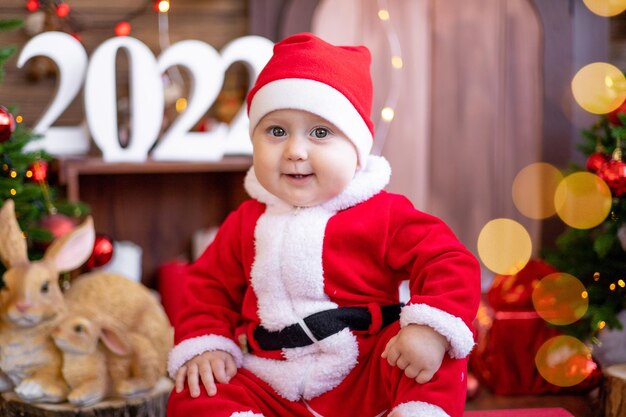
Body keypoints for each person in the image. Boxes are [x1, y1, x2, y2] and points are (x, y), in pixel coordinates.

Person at [166, 32, 481, 417]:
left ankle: (417, 411)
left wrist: (430, 327)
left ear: (356, 150)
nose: (295, 151)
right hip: (274, 382)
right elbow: (207, 286)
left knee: (436, 350)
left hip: (368, 374)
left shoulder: (384, 214)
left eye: (321, 133)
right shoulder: (246, 221)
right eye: (276, 131)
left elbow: (449, 260)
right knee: (197, 388)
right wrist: (208, 343)